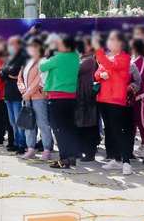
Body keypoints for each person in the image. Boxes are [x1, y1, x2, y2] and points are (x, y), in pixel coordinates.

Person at [94, 31, 134, 175]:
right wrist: (101, 74)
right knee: (110, 131)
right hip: (103, 99)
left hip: (116, 100)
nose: (109, 42)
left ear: (121, 43)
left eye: (113, 39)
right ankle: (116, 159)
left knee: (118, 131)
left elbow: (110, 65)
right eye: (109, 39)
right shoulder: (108, 57)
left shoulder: (124, 57)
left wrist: (98, 51)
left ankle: (126, 161)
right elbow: (96, 74)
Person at [40, 34, 80, 169]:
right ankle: (71, 157)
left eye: (60, 44)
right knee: (69, 128)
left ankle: (64, 159)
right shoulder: (75, 57)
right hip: (71, 97)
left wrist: (48, 52)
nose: (57, 46)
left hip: (57, 98)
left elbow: (42, 67)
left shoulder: (58, 58)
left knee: (59, 129)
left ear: (67, 46)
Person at [18, 38, 52, 159]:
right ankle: (31, 149)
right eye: (30, 47)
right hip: (27, 97)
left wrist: (29, 92)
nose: (31, 49)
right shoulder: (27, 62)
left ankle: (47, 149)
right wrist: (23, 90)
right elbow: (20, 78)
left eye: (34, 46)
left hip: (39, 97)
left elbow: (40, 79)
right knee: (29, 124)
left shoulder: (43, 61)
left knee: (43, 124)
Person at [1, 35, 29, 154]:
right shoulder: (10, 57)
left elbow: (13, 71)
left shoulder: (23, 57)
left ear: (18, 45)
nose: (10, 46)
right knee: (12, 122)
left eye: (13, 44)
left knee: (18, 121)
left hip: (17, 94)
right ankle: (16, 143)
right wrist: (7, 72)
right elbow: (1, 73)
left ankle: (22, 144)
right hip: (8, 93)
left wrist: (7, 72)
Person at [75, 37, 100, 162]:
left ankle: (90, 152)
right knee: (80, 125)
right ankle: (80, 150)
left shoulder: (90, 60)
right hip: (80, 96)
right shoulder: (82, 58)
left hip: (87, 96)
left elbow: (76, 70)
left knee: (89, 126)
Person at [130, 38, 144, 159]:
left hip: (142, 94)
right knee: (134, 121)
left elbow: (139, 75)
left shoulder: (142, 59)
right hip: (133, 96)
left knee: (142, 120)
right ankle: (134, 147)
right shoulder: (132, 58)